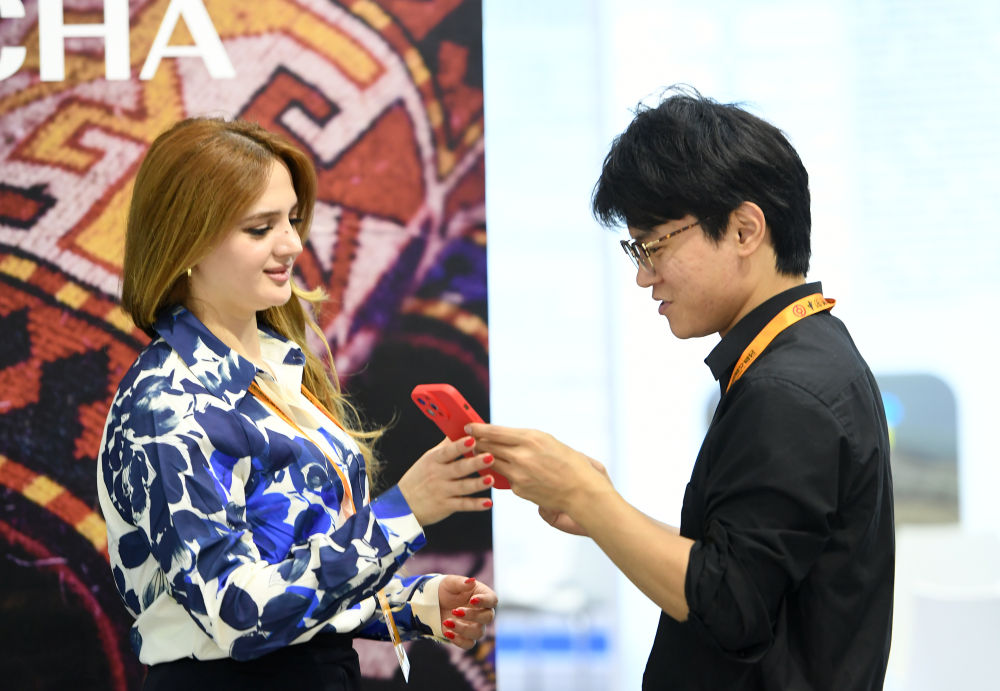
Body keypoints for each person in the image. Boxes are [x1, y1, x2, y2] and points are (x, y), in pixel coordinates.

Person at [467, 88, 894, 690]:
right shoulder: (812, 354)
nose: (644, 275)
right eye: (636, 250)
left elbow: (732, 607)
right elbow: (748, 569)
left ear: (744, 229)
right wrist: (601, 514)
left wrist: (589, 496)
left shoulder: (786, 392)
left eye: (655, 245)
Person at [96, 117, 497, 690]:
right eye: (261, 228)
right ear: (188, 241)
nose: (292, 244)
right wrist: (404, 510)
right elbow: (237, 614)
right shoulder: (167, 404)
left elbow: (290, 569)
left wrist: (410, 605)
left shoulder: (279, 367)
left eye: (291, 220)